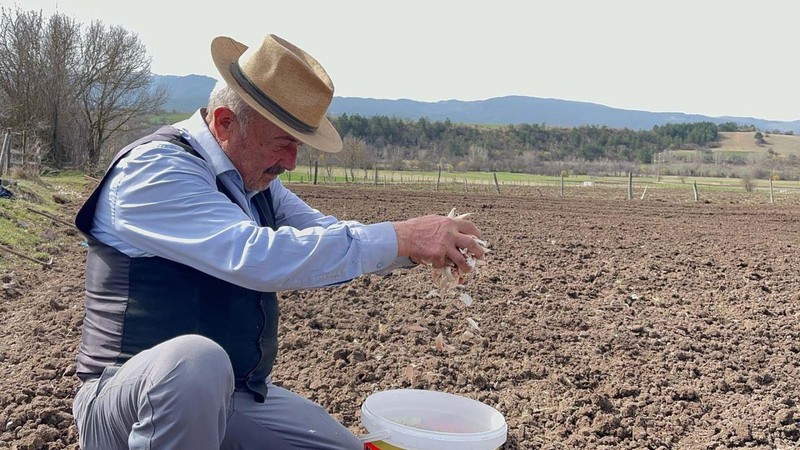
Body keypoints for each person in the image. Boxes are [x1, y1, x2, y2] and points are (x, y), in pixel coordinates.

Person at [71, 33, 484, 450]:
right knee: (195, 363)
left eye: (298, 146)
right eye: (283, 144)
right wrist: (402, 235)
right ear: (224, 122)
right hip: (127, 403)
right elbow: (258, 257)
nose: (290, 163)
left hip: (231, 398)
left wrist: (413, 248)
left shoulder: (255, 182)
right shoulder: (156, 170)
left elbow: (321, 237)